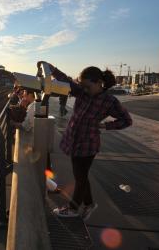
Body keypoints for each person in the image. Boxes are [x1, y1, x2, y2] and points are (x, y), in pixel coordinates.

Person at [42, 62, 132, 220]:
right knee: (80, 176)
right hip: (74, 140)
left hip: (88, 144)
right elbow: (66, 81)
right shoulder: (82, 92)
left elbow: (126, 120)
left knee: (80, 176)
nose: (84, 90)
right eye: (82, 86)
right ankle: (89, 204)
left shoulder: (109, 101)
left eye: (88, 86)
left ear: (99, 83)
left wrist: (105, 125)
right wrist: (51, 68)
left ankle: (73, 208)